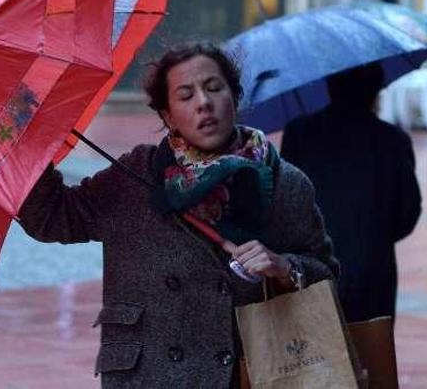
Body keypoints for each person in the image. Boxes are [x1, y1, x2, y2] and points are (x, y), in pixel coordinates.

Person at [18, 43, 339, 388]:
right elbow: (53, 218)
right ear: (168, 115)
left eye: (214, 88)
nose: (204, 102)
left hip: (244, 373)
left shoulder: (283, 182)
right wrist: (32, 143)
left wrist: (284, 267)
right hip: (148, 375)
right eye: (186, 96)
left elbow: (327, 275)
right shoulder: (134, 175)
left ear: (235, 96)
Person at [281, 62, 422, 323]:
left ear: (329, 86)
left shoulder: (299, 133)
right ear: (376, 89)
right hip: (373, 268)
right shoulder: (393, 140)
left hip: (311, 267)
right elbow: (407, 214)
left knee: (315, 354)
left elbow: (283, 203)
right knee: (371, 354)